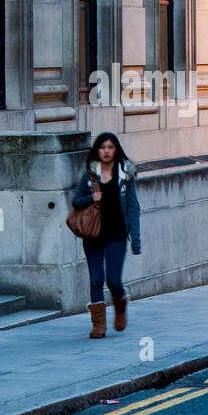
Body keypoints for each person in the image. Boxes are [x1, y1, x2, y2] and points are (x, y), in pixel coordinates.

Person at [72, 132, 141, 338]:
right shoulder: (90, 175)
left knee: (113, 280)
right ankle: (98, 325)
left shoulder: (125, 175)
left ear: (116, 150)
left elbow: (133, 207)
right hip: (92, 234)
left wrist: (136, 239)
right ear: (97, 151)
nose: (106, 151)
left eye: (110, 147)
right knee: (96, 279)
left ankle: (120, 303)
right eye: (103, 147)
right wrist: (91, 198)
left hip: (116, 234)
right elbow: (76, 202)